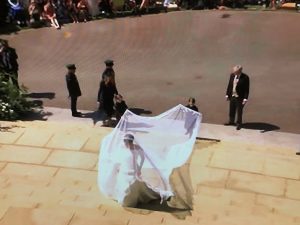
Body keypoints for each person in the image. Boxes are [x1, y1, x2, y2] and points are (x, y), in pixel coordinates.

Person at [116, 134, 163, 207]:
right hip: (124, 168)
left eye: (126, 142)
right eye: (124, 141)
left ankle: (130, 200)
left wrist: (139, 169)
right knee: (123, 183)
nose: (125, 143)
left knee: (132, 184)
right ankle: (123, 198)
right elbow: (120, 157)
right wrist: (119, 166)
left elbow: (142, 158)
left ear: (130, 142)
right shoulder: (122, 147)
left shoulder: (137, 148)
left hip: (134, 168)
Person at [225, 65, 250, 130]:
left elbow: (247, 89)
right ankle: (231, 121)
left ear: (239, 71)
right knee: (232, 109)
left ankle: (239, 123)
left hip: (240, 97)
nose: (233, 72)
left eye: (235, 71)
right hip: (232, 95)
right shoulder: (232, 75)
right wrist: (227, 94)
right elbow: (229, 85)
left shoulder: (245, 77)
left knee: (239, 111)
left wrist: (245, 98)